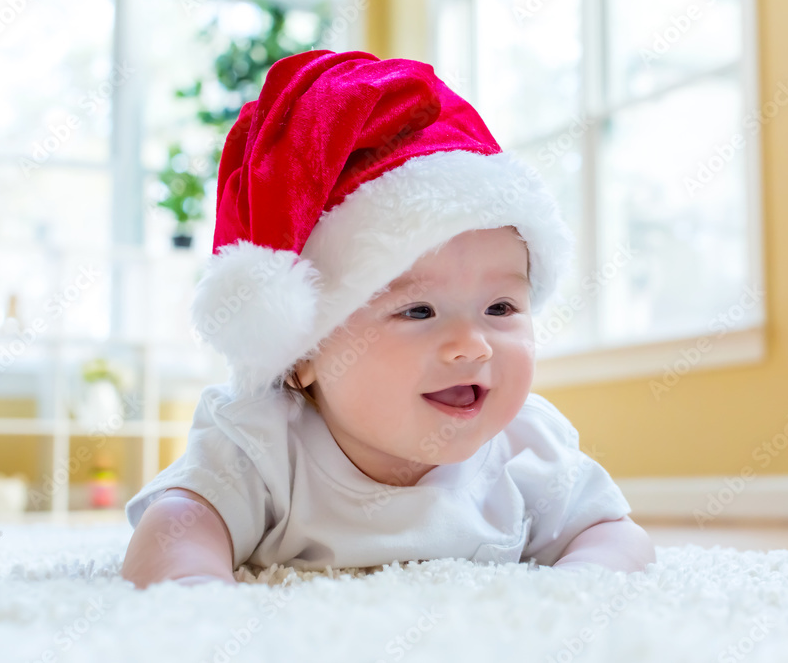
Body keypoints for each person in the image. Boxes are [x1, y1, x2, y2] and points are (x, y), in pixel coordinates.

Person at [121, 49, 655, 589]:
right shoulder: (263, 444)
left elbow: (616, 535)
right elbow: (177, 527)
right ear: (304, 353)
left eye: (501, 308)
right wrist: (194, 592)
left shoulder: (527, 446)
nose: (472, 347)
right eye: (418, 310)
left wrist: (583, 583)